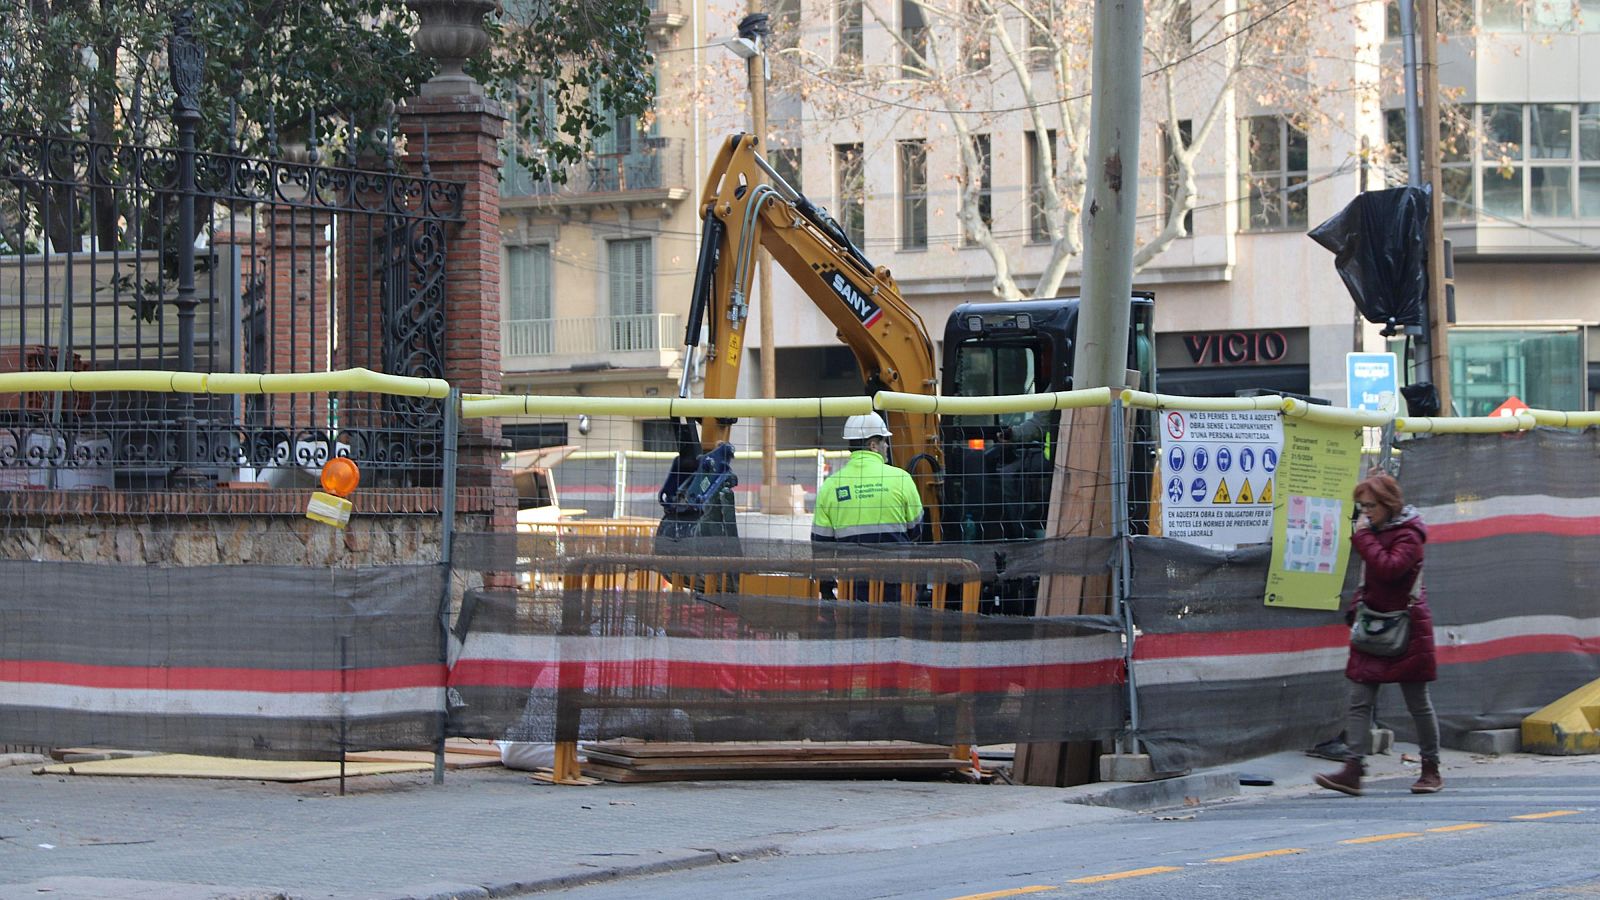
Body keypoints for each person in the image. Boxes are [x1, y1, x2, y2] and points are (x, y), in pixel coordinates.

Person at [1315, 471, 1442, 796]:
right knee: (1360, 700)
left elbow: (1389, 568)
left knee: (1417, 702)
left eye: (1370, 506)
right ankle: (1353, 768)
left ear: (1388, 503)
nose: (1366, 512)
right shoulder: (1374, 531)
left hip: (1406, 627)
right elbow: (1370, 577)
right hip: (1372, 623)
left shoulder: (1409, 534)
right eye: (1361, 506)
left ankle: (1430, 768)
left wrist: (1363, 538)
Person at [811, 413, 924, 600]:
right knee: (898, 629)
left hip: (852, 587)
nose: (887, 446)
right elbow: (917, 530)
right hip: (898, 585)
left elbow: (821, 546)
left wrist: (826, 589)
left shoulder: (831, 486)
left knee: (854, 629)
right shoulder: (902, 478)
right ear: (873, 445)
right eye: (884, 441)